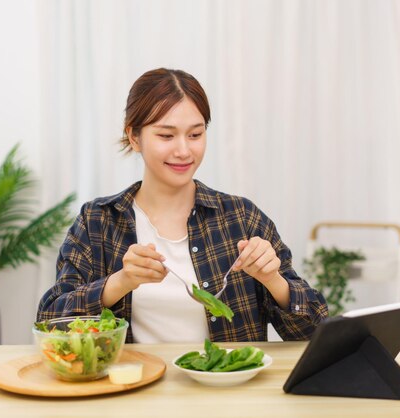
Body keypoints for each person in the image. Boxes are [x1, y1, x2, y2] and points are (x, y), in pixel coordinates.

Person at [37, 68, 327, 343]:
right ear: (134, 137)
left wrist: (273, 280)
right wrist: (119, 282)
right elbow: (50, 321)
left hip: (226, 392)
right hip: (134, 389)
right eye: (166, 135)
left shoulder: (242, 218)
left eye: (195, 134)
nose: (183, 151)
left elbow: (314, 331)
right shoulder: (98, 221)